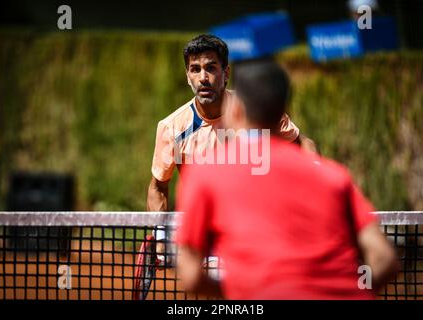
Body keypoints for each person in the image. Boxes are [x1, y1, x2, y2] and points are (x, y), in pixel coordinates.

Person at [175, 60, 399, 299]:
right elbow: (385, 258)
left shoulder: (205, 173)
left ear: (236, 109)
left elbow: (191, 275)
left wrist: (245, 293)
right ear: (282, 110)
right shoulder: (335, 175)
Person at [147, 34, 317, 263]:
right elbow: (159, 186)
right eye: (195, 69)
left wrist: (316, 184)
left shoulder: (255, 110)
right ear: (188, 77)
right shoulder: (172, 129)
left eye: (211, 68)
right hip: (208, 235)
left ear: (226, 74)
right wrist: (159, 238)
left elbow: (303, 144)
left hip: (260, 231)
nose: (203, 78)